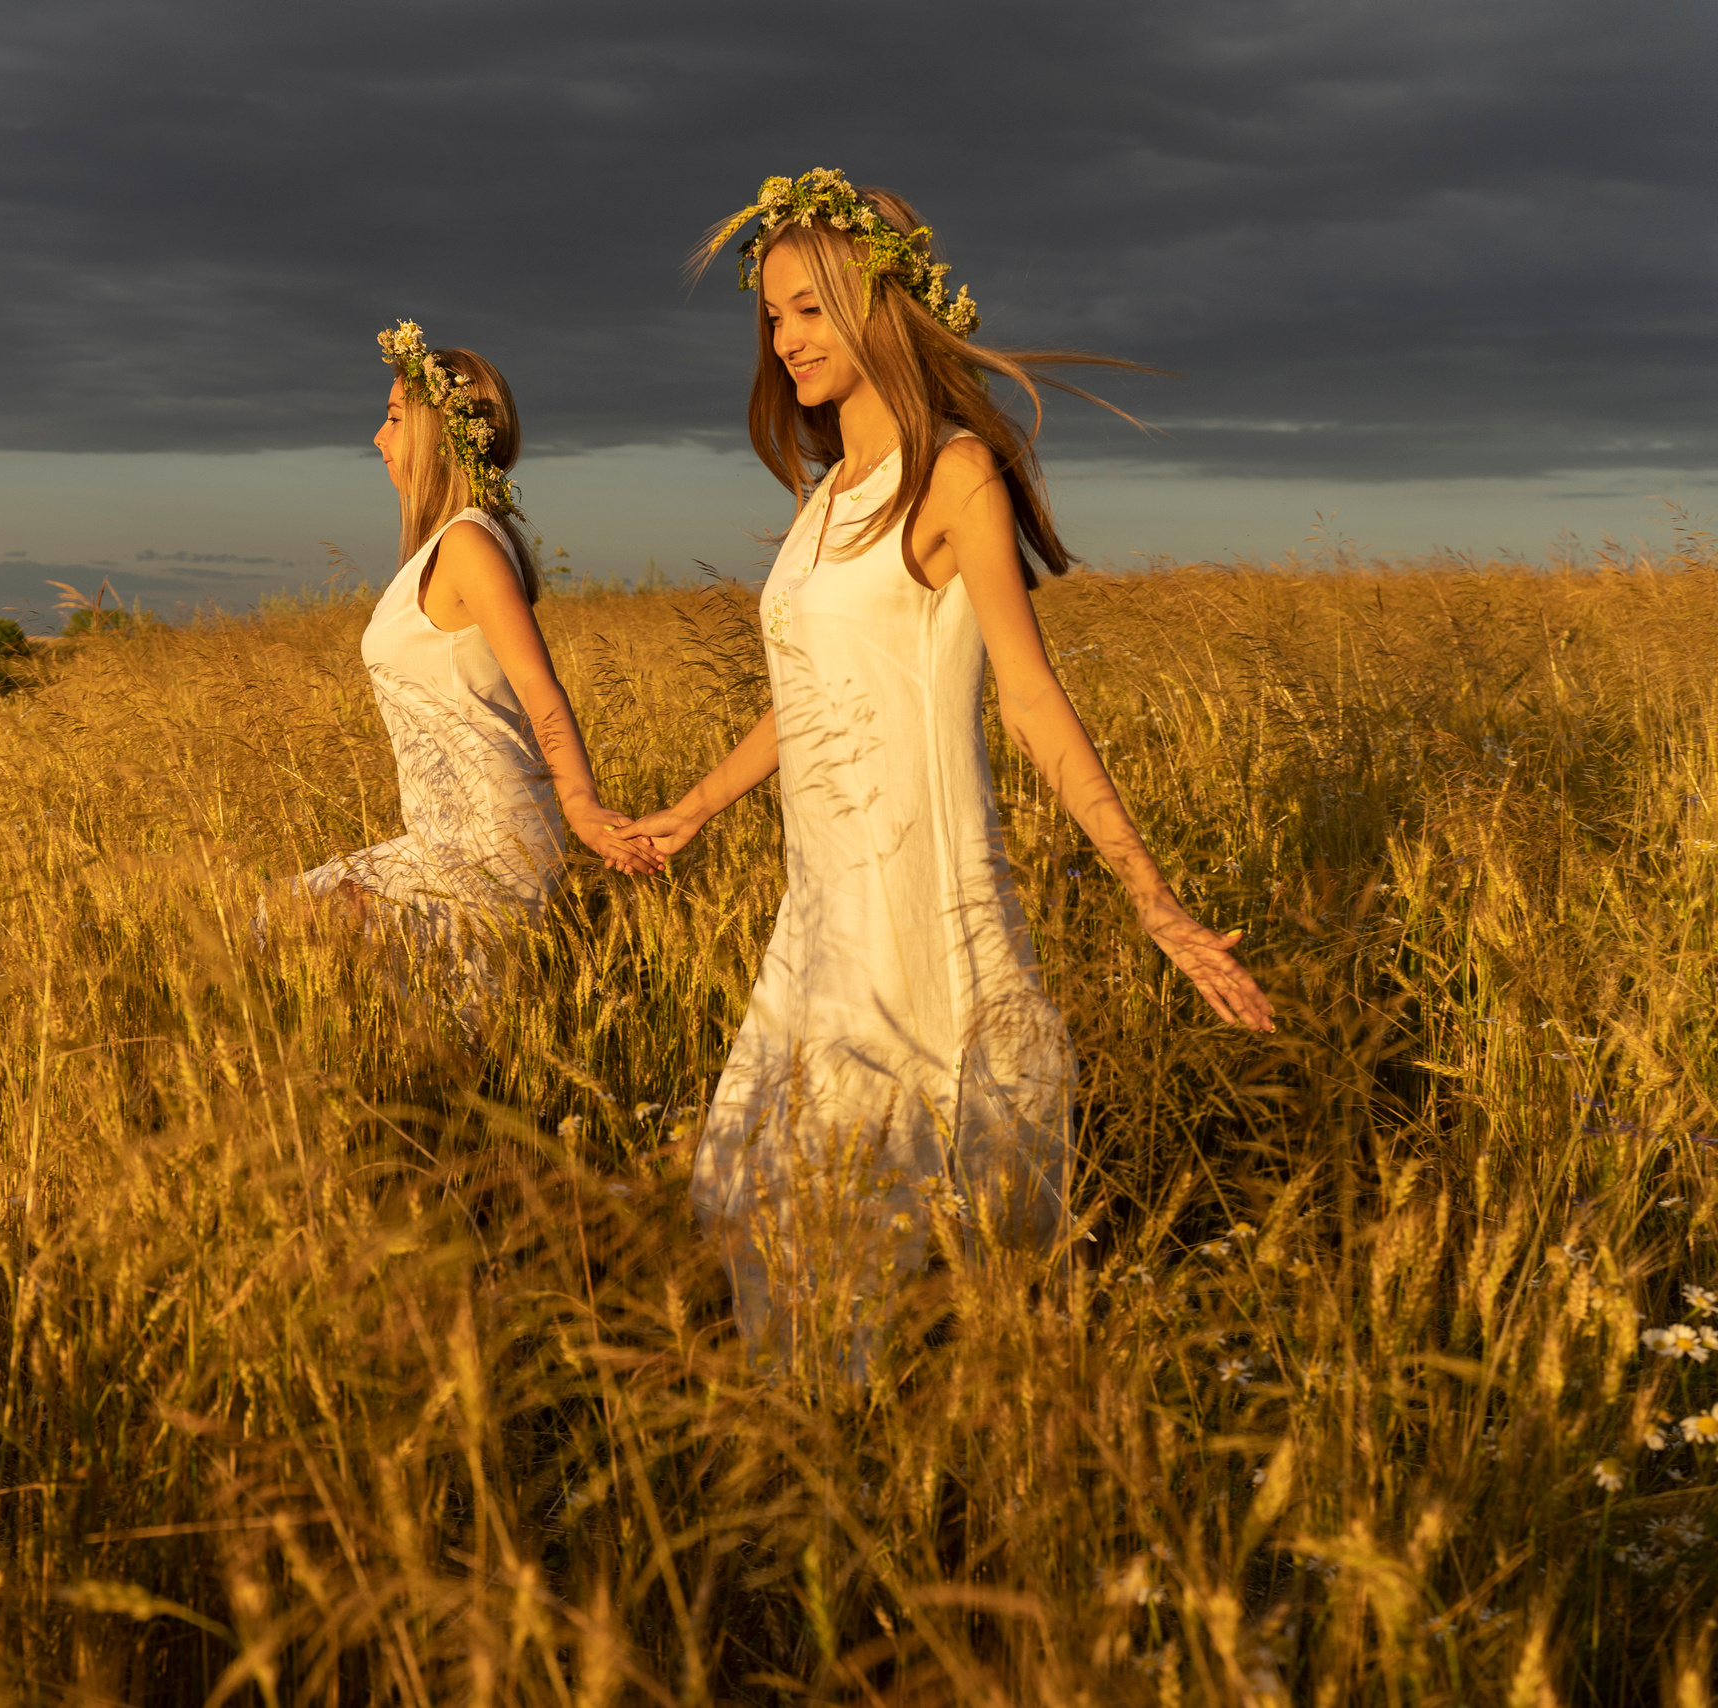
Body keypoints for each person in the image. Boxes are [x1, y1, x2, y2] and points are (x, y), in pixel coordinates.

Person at [622, 171, 1274, 1369]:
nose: (786, 339)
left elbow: (1028, 695)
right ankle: (847, 1431)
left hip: (910, 885)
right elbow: (809, 700)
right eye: (772, 315)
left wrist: (1152, 897)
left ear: (880, 305)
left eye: (810, 309)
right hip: (820, 900)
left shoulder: (953, 474)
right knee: (765, 1182)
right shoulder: (826, 500)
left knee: (866, 1187)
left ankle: (900, 1429)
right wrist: (690, 811)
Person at [291, 321, 653, 997]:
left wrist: (581, 808)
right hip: (441, 837)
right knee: (284, 925)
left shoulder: (469, 544)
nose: (379, 437)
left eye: (394, 418)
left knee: (300, 931)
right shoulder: (445, 546)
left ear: (433, 433)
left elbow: (541, 690)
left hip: (490, 845)